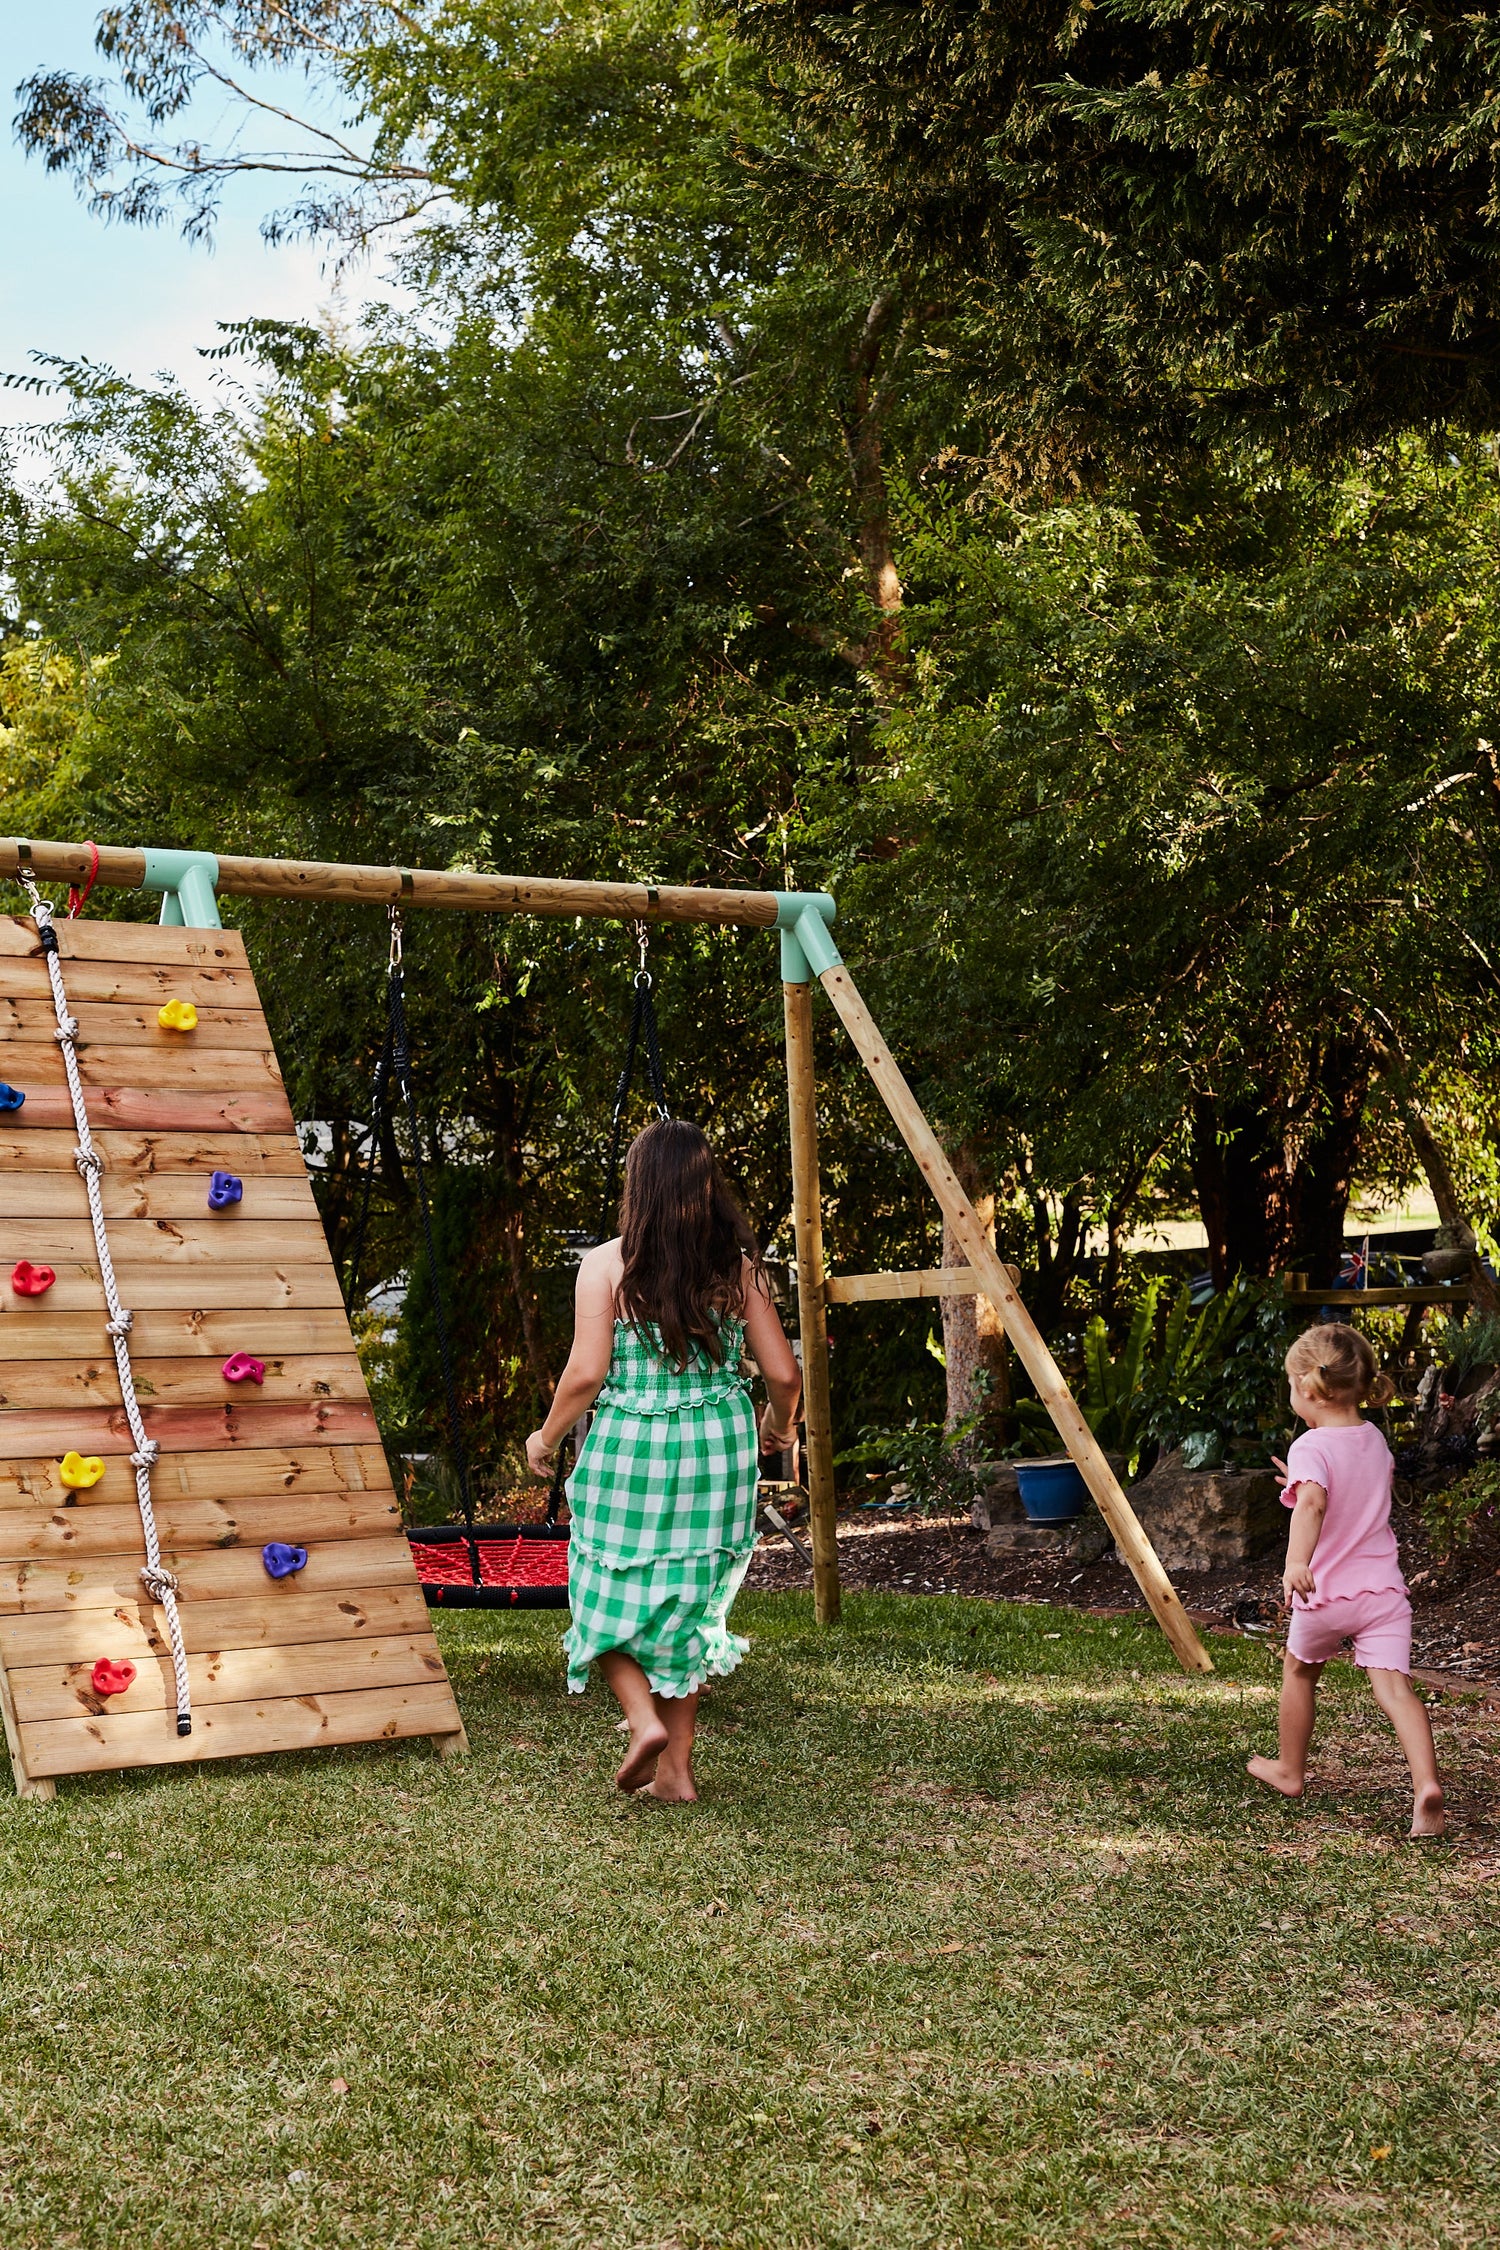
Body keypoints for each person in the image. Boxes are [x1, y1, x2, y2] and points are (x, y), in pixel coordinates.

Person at [526, 1119, 802, 1802]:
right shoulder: (737, 1268)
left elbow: (586, 1373)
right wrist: (778, 1426)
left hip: (632, 1446)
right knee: (688, 1605)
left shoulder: (606, 1265)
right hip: (718, 1450)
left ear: (639, 1187)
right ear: (706, 1187)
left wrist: (545, 1439)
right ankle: (676, 1774)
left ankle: (641, 1719)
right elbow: (784, 1374)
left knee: (597, 1586)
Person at [1247, 1322, 1445, 1838]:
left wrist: (1296, 1562)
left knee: (1299, 1673)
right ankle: (1426, 1785)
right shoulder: (1374, 1438)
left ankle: (1289, 1771)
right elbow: (1350, 1492)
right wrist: (1298, 1482)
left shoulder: (1310, 1446)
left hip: (1327, 1593)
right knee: (1397, 1691)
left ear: (1307, 1388)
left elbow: (1314, 1504)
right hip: (1384, 1593)